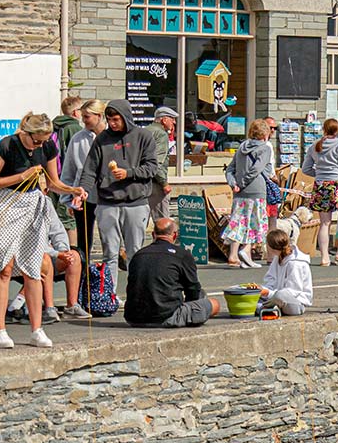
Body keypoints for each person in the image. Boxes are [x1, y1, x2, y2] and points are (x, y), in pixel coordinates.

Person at [0, 112, 83, 347]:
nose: (40, 145)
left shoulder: (47, 147)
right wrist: (22, 175)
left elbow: (54, 182)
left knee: (34, 267)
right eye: (36, 140)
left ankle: (37, 329)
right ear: (26, 133)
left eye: (45, 140)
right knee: (3, 267)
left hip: (32, 204)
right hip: (5, 203)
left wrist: (73, 190)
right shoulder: (7, 145)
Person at [91, 101, 163, 273]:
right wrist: (81, 192)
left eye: (116, 119)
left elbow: (152, 167)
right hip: (107, 203)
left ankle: (135, 296)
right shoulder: (102, 139)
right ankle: (110, 297)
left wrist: (128, 173)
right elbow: (90, 169)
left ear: (126, 117)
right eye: (109, 120)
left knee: (135, 254)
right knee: (110, 255)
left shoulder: (143, 136)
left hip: (136, 202)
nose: (112, 124)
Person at [124, 217, 220, 328]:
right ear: (175, 235)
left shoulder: (138, 255)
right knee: (214, 304)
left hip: (133, 317)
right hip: (166, 316)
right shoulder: (182, 255)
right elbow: (193, 289)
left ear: (153, 234)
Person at [222, 117, 276, 268]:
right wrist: (243, 182)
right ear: (264, 133)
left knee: (238, 222)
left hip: (239, 193)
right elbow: (256, 169)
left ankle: (234, 255)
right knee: (255, 221)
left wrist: (234, 184)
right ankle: (246, 251)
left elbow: (230, 169)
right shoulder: (265, 148)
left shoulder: (242, 147)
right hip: (256, 189)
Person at [59, 99, 105, 271]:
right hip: (83, 198)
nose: (83, 120)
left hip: (108, 197)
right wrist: (67, 198)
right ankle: (84, 279)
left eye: (87, 117)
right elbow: (69, 170)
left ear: (99, 116)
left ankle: (105, 282)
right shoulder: (79, 138)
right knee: (84, 241)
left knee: (109, 240)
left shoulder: (111, 137)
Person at [305, 119, 338, 267]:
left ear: (324, 129)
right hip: (337, 185)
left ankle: (324, 257)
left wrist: (319, 174)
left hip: (320, 185)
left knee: (324, 223)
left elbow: (305, 169)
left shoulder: (314, 146)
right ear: (337, 130)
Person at [257, 226, 313, 316]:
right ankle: (268, 309)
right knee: (251, 295)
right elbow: (270, 279)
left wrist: (268, 293)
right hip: (276, 297)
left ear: (272, 248)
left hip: (296, 303)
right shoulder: (277, 258)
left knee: (280, 296)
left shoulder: (295, 263)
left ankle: (265, 309)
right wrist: (262, 290)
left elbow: (293, 291)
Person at [150, 106, 181, 220]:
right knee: (162, 222)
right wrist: (164, 183)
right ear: (164, 120)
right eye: (172, 118)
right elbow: (157, 163)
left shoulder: (145, 131)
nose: (174, 122)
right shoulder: (161, 134)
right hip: (156, 183)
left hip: (142, 183)